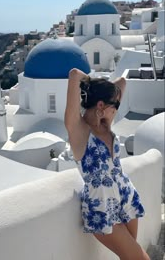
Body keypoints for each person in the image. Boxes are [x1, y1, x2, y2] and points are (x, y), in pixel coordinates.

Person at [64, 68, 150, 260]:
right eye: (115, 105)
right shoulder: (79, 132)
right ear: (101, 105)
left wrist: (99, 89)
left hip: (126, 198)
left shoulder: (105, 124)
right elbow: (74, 75)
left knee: (129, 257)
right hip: (101, 207)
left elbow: (122, 83)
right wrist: (90, 84)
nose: (116, 109)